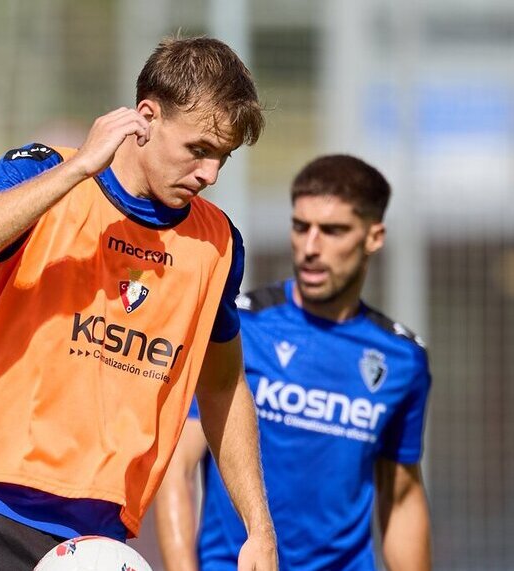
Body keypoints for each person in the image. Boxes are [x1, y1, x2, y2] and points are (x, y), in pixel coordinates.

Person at [0, 36, 278, 571]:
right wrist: (77, 171)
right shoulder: (44, 170)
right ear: (145, 118)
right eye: (198, 150)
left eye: (223, 158)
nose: (210, 175)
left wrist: (258, 528)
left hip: (78, 541)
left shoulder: (217, 244)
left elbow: (221, 384)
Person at [155, 155, 432, 571]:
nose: (310, 247)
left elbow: (402, 496)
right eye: (301, 227)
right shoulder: (240, 326)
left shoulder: (402, 359)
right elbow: (177, 464)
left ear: (373, 237)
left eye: (333, 231)